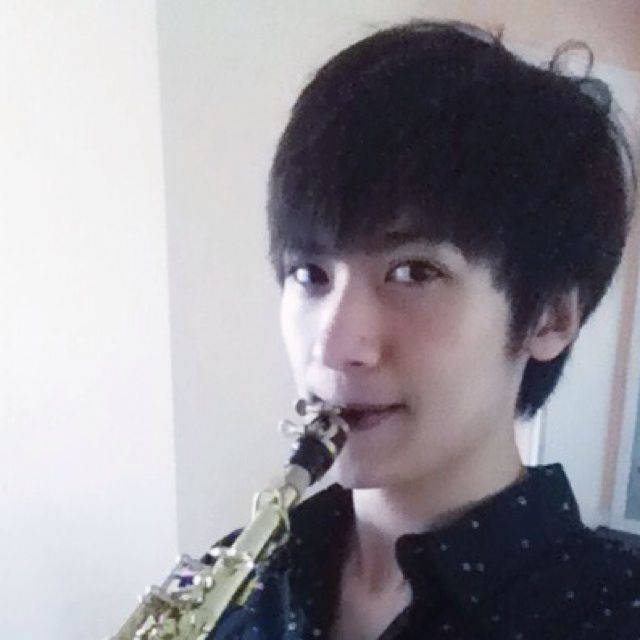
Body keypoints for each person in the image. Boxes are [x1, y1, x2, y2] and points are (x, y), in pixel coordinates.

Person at [209, 19, 639, 639]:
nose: (334, 348)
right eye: (309, 274)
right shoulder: (237, 579)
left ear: (550, 317)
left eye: (413, 272)